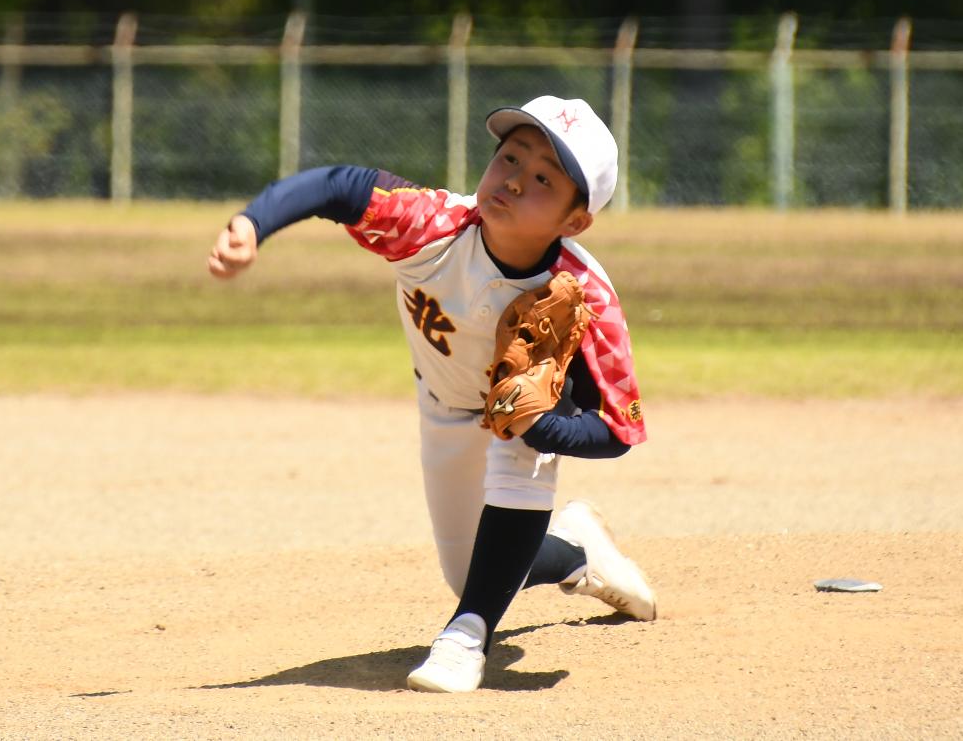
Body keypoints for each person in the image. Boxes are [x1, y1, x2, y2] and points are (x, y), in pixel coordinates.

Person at [207, 94, 657, 693]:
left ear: (575, 221)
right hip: (443, 410)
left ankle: (465, 638)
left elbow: (618, 431)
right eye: (511, 159)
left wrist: (542, 427)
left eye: (545, 179)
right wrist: (253, 223)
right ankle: (578, 552)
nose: (516, 181)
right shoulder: (432, 226)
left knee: (514, 481)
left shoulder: (585, 296)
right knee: (470, 570)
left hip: (527, 422)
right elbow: (339, 186)